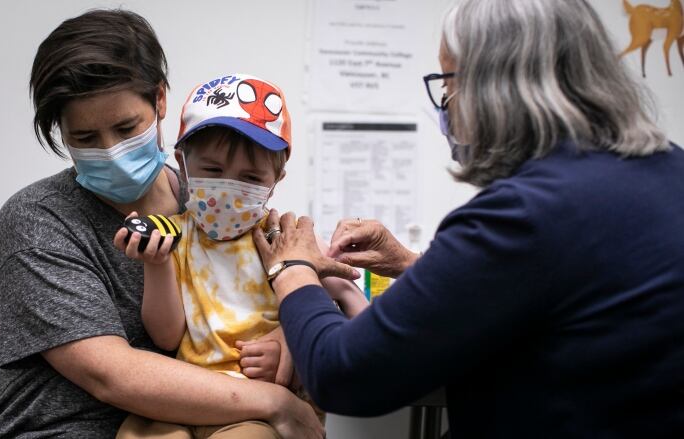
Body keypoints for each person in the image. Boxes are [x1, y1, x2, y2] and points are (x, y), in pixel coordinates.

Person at [251, 0, 684, 438]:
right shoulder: (671, 170)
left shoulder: (522, 213)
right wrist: (410, 263)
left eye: (448, 83)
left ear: (495, 86)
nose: (446, 105)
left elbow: (342, 375)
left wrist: (293, 269)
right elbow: (558, 284)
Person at [0, 11, 323, 439]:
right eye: (85, 138)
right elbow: (111, 374)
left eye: (126, 127)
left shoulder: (214, 204)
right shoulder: (37, 220)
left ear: (159, 101)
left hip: (215, 421)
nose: (112, 151)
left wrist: (289, 326)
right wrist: (277, 403)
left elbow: (288, 299)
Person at [113, 74, 368, 438]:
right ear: (183, 164)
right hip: (191, 395)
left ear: (276, 179)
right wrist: (157, 265)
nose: (228, 187)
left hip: (260, 410)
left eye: (250, 177)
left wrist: (289, 335)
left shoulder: (285, 242)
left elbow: (356, 320)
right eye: (213, 171)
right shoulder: (175, 235)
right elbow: (167, 338)